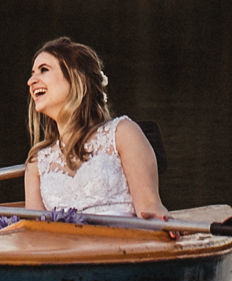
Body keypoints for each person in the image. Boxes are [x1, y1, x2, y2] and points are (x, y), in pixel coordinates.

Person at [23, 36, 169, 222]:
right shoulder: (37, 161)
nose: (31, 81)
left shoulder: (122, 133)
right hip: (65, 248)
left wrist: (162, 221)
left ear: (77, 78)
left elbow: (149, 206)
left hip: (122, 243)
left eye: (43, 70)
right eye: (32, 72)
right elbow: (34, 230)